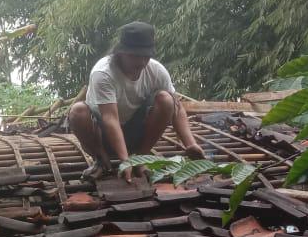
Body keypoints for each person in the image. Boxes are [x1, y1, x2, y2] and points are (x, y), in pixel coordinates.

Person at [68, 21, 205, 183]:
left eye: (145, 57)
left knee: (167, 100)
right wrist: (126, 161)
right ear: (120, 53)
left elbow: (177, 108)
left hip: (136, 133)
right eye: (135, 56)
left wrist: (190, 144)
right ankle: (101, 160)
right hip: (102, 134)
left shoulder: (156, 70)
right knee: (77, 111)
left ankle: (141, 158)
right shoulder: (103, 73)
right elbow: (110, 119)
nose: (141, 62)